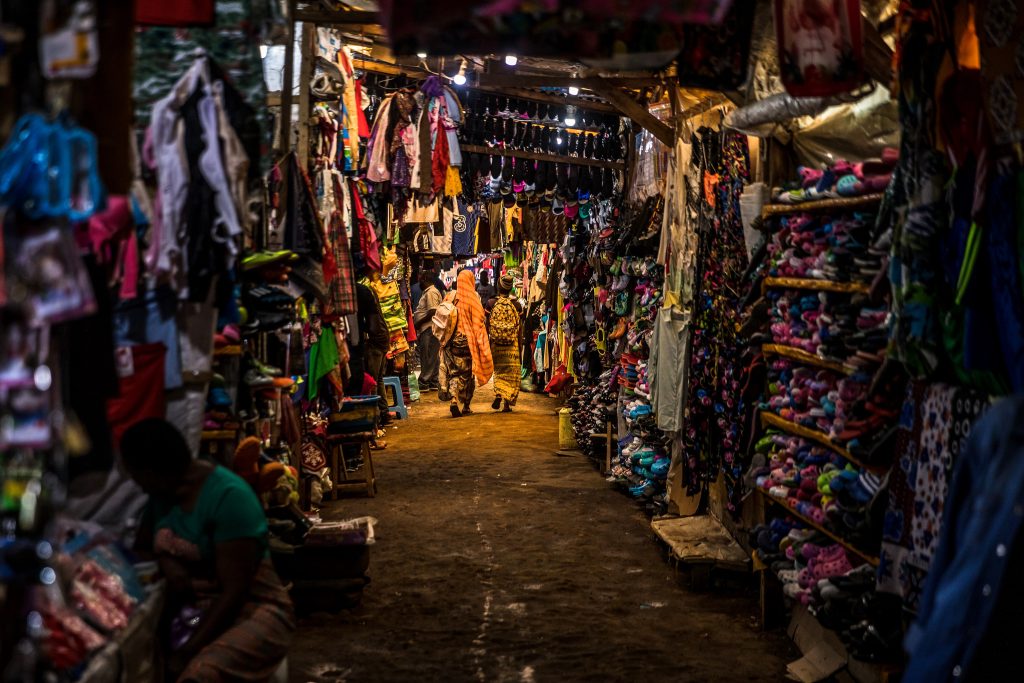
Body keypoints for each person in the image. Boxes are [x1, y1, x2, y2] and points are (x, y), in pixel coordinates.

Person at [121, 418, 294, 683]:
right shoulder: (161, 497)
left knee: (199, 674)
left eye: (137, 475)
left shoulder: (229, 497)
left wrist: (187, 653)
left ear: (156, 470)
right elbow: (142, 550)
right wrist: (167, 562)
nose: (137, 485)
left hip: (252, 608)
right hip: (193, 609)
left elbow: (234, 592)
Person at [439, 269, 493, 417]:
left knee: (454, 373)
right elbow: (479, 321)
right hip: (467, 343)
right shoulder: (474, 297)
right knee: (468, 374)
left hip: (452, 342)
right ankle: (466, 406)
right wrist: (482, 344)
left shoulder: (450, 296)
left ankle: (454, 400)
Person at [488, 273, 524, 412]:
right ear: (511, 288)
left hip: (496, 344)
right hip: (512, 345)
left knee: (499, 371)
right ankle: (506, 404)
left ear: (498, 286)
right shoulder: (516, 305)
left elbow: (487, 325)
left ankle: (498, 393)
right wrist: (520, 346)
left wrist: (489, 342)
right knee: (510, 373)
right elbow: (519, 328)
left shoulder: (491, 303)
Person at [413, 269, 445, 391]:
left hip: (429, 328)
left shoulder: (431, 292)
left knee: (428, 356)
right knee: (432, 356)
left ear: (425, 279)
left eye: (420, 279)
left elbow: (432, 311)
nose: (419, 282)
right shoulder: (430, 292)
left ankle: (425, 381)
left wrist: (418, 322)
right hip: (429, 328)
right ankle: (433, 380)